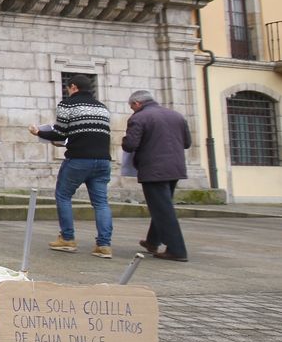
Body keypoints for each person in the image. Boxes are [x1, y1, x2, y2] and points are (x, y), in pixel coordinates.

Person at [29, 75, 114, 258]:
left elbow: (60, 133)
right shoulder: (102, 107)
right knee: (101, 203)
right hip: (103, 160)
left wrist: (39, 132)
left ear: (73, 87)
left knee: (63, 195)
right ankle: (104, 245)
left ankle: (67, 239)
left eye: (68, 88)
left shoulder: (67, 105)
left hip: (79, 159)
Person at [122, 89, 192, 262]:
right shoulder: (176, 116)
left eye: (132, 106)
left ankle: (177, 250)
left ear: (137, 103)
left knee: (163, 209)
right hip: (175, 168)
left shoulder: (139, 117)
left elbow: (130, 145)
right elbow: (187, 143)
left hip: (153, 169)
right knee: (162, 205)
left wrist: (124, 141)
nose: (132, 109)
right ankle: (152, 241)